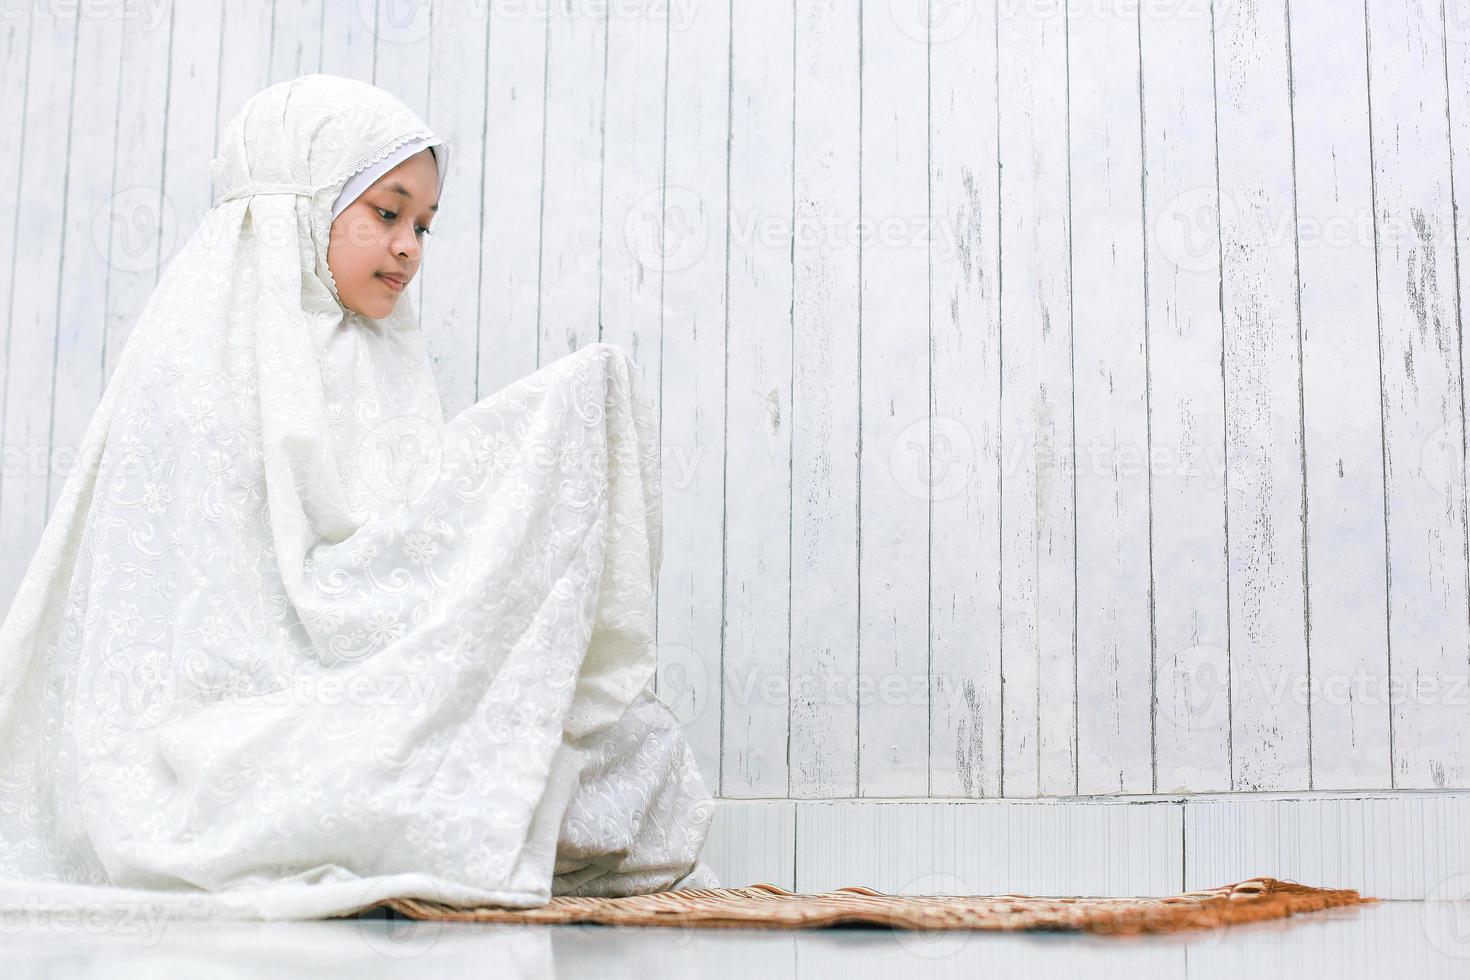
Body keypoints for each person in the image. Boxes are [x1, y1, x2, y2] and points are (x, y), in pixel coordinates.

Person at [0, 73, 717, 920]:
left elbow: (399, 558)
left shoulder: (376, 358)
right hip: (253, 712)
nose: (411, 245)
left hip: (357, 682)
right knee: (377, 768)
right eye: (387, 211)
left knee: (636, 752)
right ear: (300, 206)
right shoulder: (200, 368)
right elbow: (233, 627)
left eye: (424, 225)